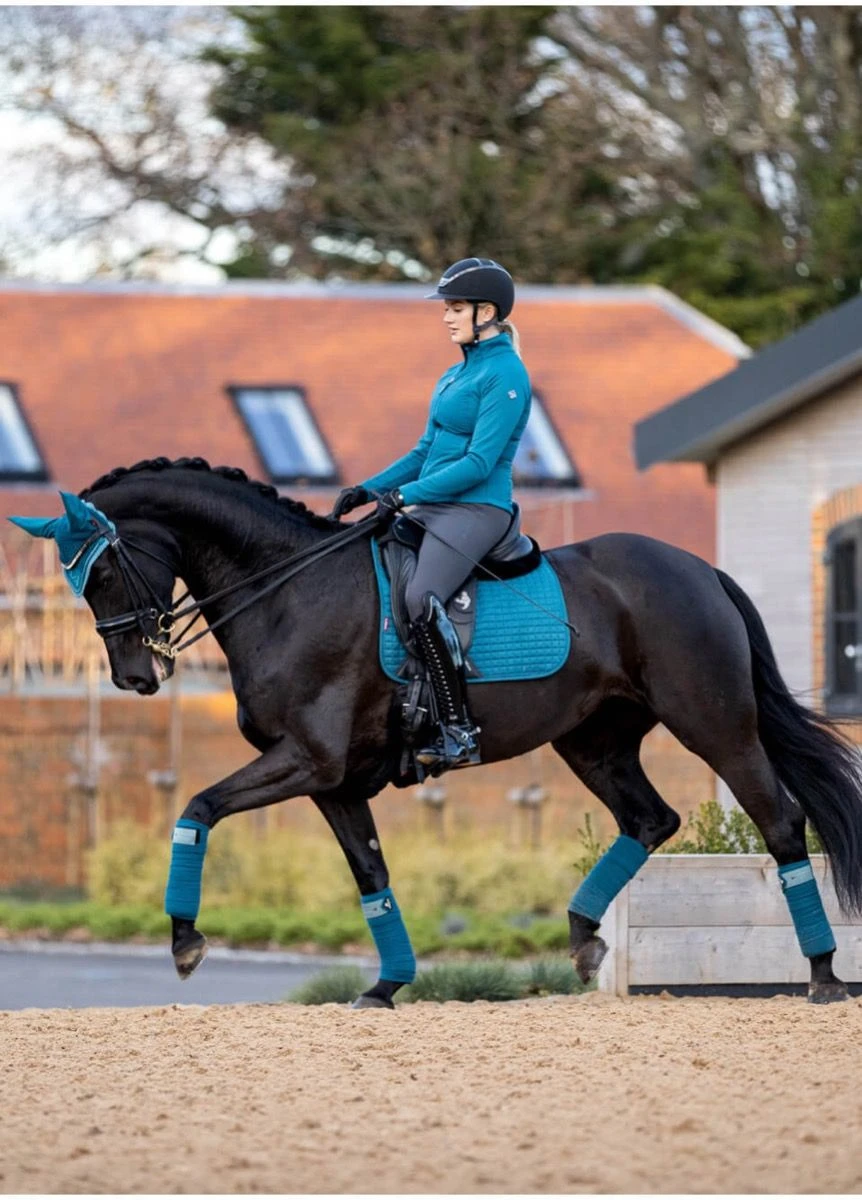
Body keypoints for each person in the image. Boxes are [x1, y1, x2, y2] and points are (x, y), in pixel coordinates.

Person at [333, 257, 532, 772]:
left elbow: (478, 463)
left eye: (456, 307)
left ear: (487, 312)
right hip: (436, 503)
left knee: (422, 595)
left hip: (477, 508)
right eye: (446, 307)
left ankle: (458, 729)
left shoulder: (506, 374)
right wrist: (369, 488)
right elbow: (426, 449)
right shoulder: (456, 373)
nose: (446, 317)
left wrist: (405, 496)